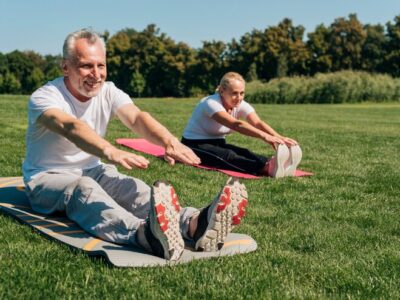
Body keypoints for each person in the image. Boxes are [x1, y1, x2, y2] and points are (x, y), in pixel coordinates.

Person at [22, 29, 248, 261]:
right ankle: (144, 234)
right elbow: (70, 126)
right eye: (86, 66)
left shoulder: (108, 91)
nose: (96, 74)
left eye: (101, 65)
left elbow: (137, 117)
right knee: (83, 189)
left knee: (132, 188)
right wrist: (110, 151)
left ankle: (194, 225)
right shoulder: (45, 97)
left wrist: (169, 142)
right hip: (47, 177)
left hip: (93, 169)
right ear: (65, 67)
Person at [181, 72, 302, 178]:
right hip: (194, 145)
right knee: (228, 156)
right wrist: (265, 137)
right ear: (222, 91)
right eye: (234, 93)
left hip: (217, 142)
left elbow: (257, 122)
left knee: (244, 152)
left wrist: (279, 138)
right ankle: (265, 169)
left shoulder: (240, 104)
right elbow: (236, 125)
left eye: (242, 93)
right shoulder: (210, 103)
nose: (239, 98)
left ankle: (273, 164)